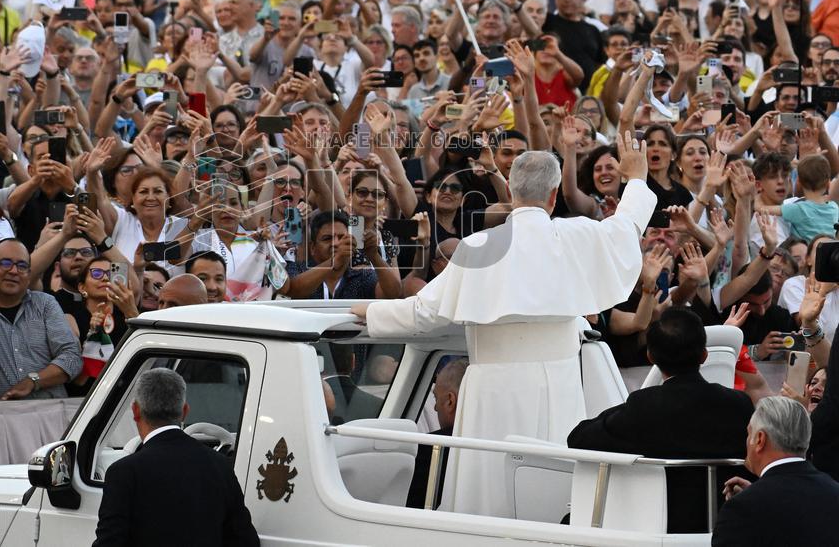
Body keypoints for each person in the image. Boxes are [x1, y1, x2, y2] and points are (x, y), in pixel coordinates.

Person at [353, 134, 657, 516]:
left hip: (493, 391)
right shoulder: (579, 234)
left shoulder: (478, 246)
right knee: (555, 493)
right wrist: (638, 179)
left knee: (488, 493)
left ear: (511, 193)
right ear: (552, 196)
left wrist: (368, 311)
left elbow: (423, 313)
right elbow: (626, 229)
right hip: (559, 384)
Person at [568, 308, 755, 533]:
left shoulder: (644, 407)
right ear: (705, 355)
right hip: (726, 525)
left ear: (651, 357)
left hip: (658, 528)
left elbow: (579, 438)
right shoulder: (739, 405)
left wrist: (629, 406)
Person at [92, 367, 259, 547]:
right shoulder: (220, 464)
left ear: (135, 411)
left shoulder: (124, 472)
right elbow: (246, 541)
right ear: (185, 411)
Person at [0, 238, 82, 401]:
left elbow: (72, 357)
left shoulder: (45, 304)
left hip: (49, 415)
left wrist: (33, 381)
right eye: (5, 263)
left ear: (29, 275)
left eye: (22, 266)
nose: (14, 271)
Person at [713, 396, 839, 545]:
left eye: (749, 433)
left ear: (760, 439)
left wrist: (754, 496)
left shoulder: (742, 509)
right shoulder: (834, 493)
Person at [406, 357, 467, 509]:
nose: (434, 408)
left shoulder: (430, 450)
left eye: (436, 398)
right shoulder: (507, 442)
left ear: (450, 401)